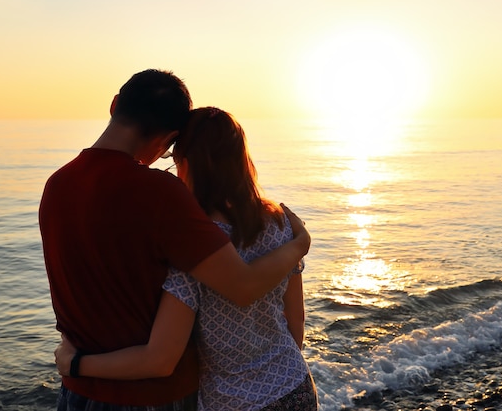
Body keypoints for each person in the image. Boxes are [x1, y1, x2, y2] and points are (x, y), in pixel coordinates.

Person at [39, 70, 310, 410]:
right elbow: (244, 287)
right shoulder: (161, 193)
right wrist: (300, 245)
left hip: (79, 392)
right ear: (168, 138)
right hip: (152, 395)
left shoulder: (56, 185)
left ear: (114, 105)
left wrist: (73, 362)